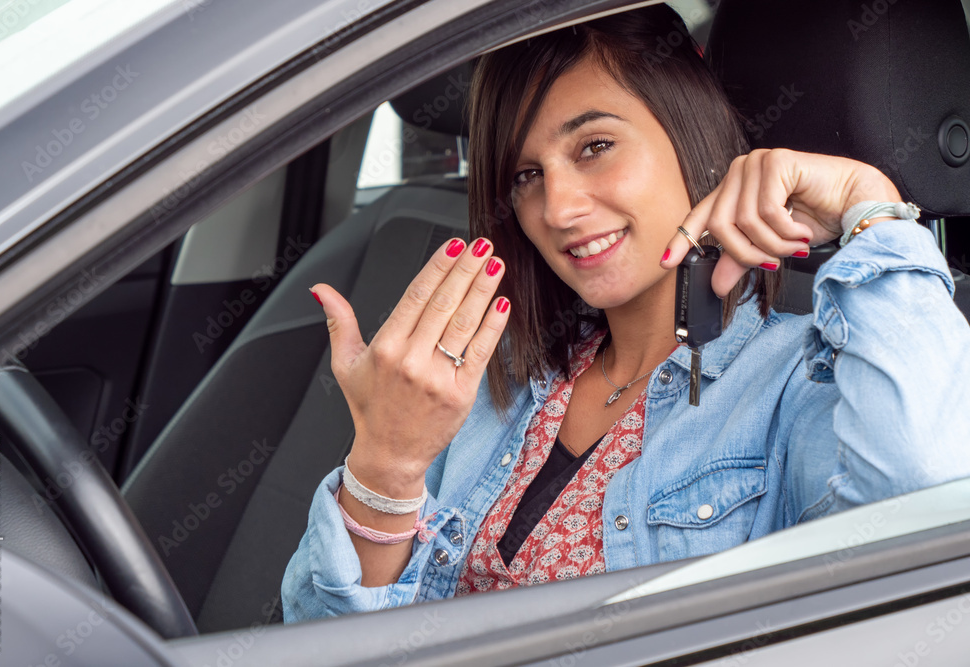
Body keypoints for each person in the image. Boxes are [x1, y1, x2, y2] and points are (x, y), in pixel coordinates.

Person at [282, 5, 970, 620]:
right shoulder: (488, 378)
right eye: (527, 176)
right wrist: (386, 465)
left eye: (594, 146)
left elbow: (929, 514)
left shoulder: (810, 380)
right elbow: (315, 642)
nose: (557, 209)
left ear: (688, 131)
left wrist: (869, 204)